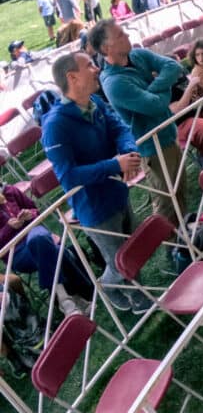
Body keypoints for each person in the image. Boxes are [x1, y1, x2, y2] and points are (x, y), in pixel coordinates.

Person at [42, 52, 148, 314]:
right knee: (120, 261)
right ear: (72, 77)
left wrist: (129, 154)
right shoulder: (55, 126)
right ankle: (120, 292)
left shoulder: (95, 102)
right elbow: (68, 176)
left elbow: (120, 128)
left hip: (117, 191)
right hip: (94, 207)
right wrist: (114, 165)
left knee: (134, 249)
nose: (96, 68)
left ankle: (140, 294)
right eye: (89, 65)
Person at [88, 20, 188, 226]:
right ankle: (170, 243)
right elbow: (156, 106)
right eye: (120, 35)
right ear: (106, 48)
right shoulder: (114, 83)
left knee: (180, 190)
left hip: (168, 132)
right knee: (166, 202)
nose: (127, 36)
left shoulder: (138, 55)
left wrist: (153, 89)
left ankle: (188, 234)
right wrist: (163, 85)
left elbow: (173, 66)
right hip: (153, 147)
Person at [1, 182, 91, 317]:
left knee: (39, 240)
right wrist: (9, 228)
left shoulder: (10, 190)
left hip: (35, 233)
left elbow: (34, 209)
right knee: (57, 251)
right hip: (16, 252)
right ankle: (79, 294)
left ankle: (64, 300)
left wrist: (29, 214)